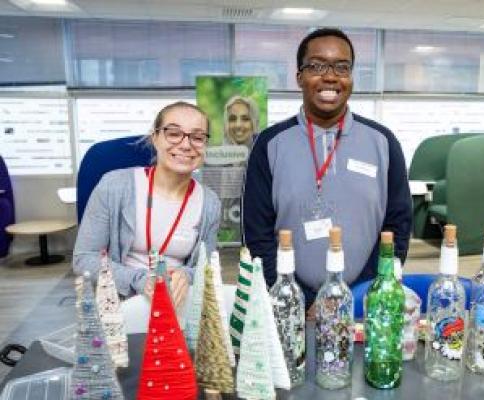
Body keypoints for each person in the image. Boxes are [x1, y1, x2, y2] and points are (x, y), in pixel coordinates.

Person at [242, 28, 412, 310]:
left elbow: (398, 226)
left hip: (364, 303)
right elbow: (256, 233)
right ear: (299, 77)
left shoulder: (383, 141)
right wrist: (295, 298)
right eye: (317, 66)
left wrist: (365, 293)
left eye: (341, 67)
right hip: (289, 303)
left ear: (351, 77)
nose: (330, 76)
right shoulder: (270, 143)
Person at [73, 101, 221, 308]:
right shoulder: (114, 186)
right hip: (120, 307)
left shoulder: (210, 202)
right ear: (155, 138)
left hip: (177, 308)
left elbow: (205, 269)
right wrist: (140, 280)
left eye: (197, 137)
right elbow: (84, 260)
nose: (186, 145)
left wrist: (186, 276)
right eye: (173, 133)